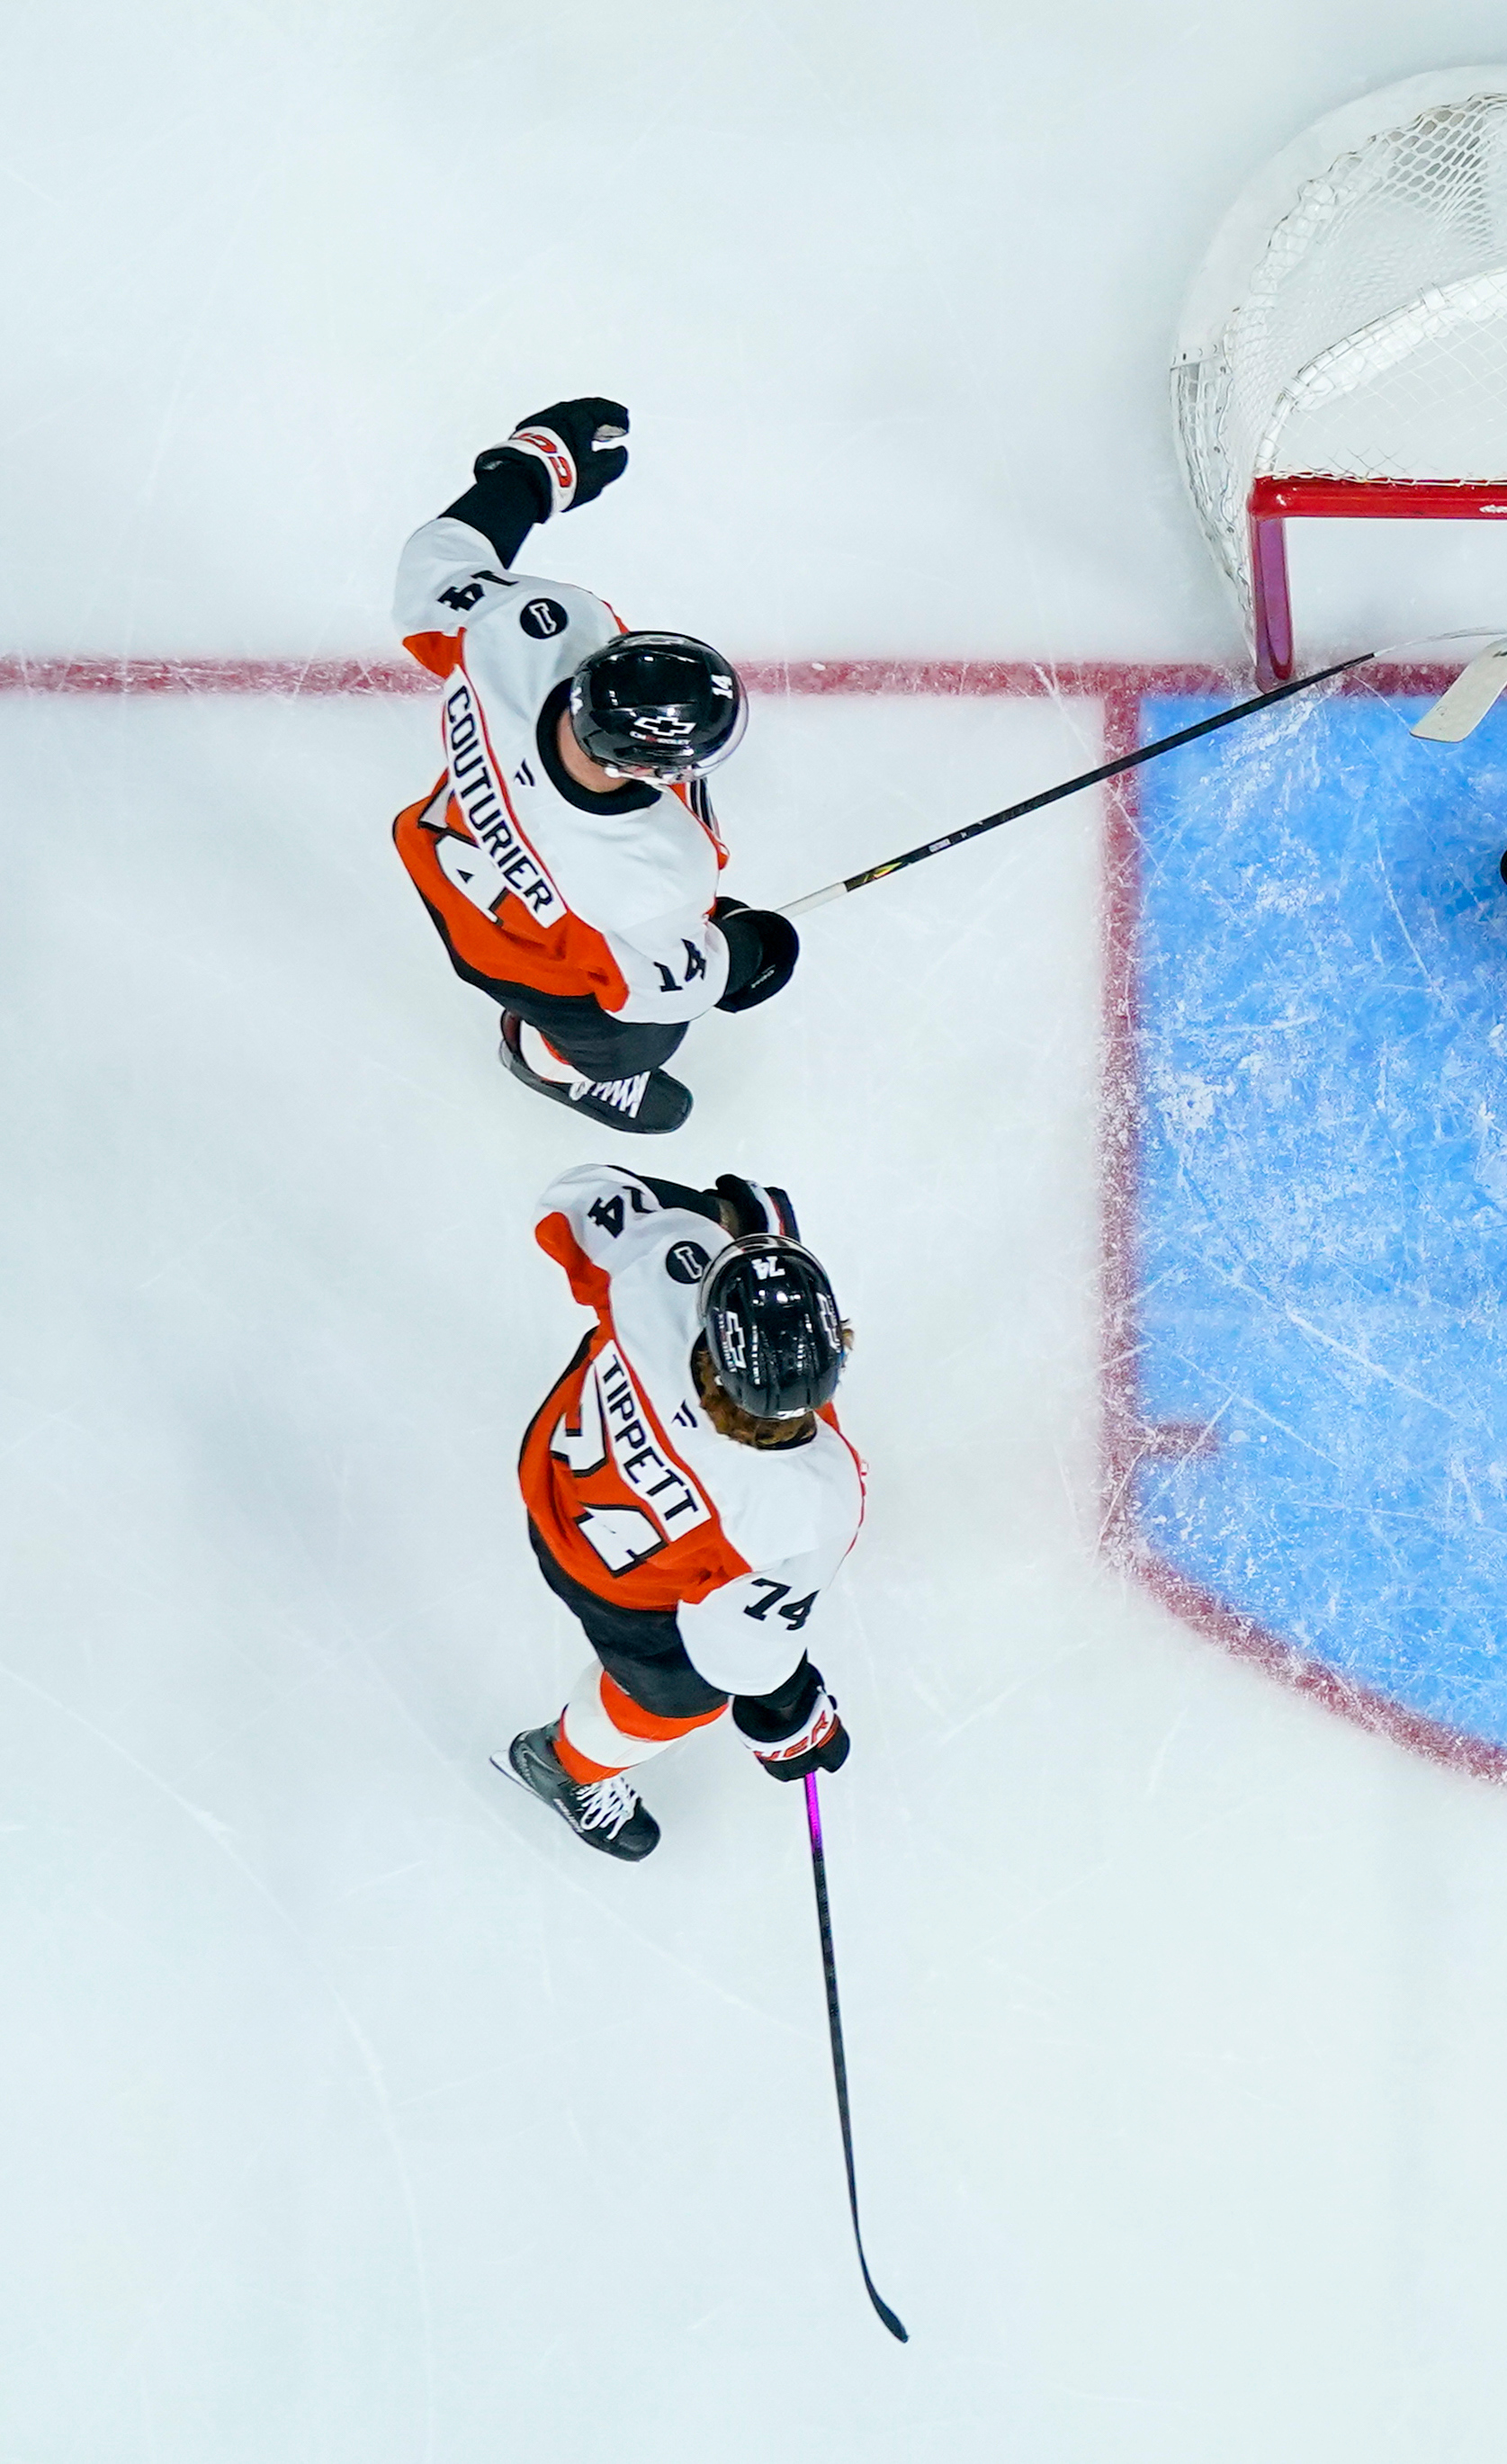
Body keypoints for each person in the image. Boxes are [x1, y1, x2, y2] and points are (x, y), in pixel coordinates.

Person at [391, 399, 797, 1134]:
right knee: (636, 1044)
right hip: (520, 957)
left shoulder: (530, 627)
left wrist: (534, 467)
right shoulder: (656, 870)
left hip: (441, 851)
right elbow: (663, 991)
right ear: (646, 769)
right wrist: (742, 956)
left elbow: (433, 565)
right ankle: (552, 1059)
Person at [501, 1165, 866, 1860]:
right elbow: (742, 1652)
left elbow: (573, 1200)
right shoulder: (807, 1505)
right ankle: (567, 1765)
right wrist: (786, 1714)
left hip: (553, 1473)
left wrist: (714, 1214)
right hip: (624, 1588)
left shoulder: (661, 1266)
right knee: (675, 1698)